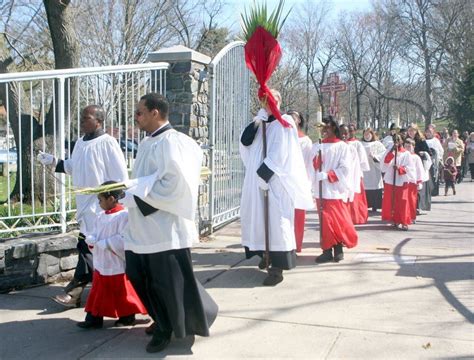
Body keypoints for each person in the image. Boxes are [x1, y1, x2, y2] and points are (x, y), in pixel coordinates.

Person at [121, 93, 218, 353]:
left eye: (140, 112)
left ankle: (166, 327)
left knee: (166, 283)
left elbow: (176, 187)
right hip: (143, 228)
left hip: (165, 229)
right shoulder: (146, 143)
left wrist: (135, 197)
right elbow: (145, 180)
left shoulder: (176, 143)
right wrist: (126, 191)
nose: (136, 117)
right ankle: (162, 318)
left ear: (155, 113)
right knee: (138, 276)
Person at [37, 105, 128, 308]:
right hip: (84, 206)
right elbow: (73, 167)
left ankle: (76, 294)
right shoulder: (80, 142)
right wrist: (53, 161)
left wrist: (111, 202)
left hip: (102, 207)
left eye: (86, 118)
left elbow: (120, 177)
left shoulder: (108, 143)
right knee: (89, 248)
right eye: (81, 117)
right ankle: (102, 297)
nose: (82, 121)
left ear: (98, 120)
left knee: (87, 248)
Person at [240, 89, 313, 285]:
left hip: (274, 181)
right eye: (264, 100)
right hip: (256, 182)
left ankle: (277, 269)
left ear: (279, 101)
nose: (267, 103)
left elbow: (281, 153)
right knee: (258, 220)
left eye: (271, 99)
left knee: (276, 223)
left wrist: (265, 175)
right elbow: (244, 143)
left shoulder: (285, 122)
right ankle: (266, 254)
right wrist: (257, 122)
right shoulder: (260, 122)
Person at [78, 182, 147, 329]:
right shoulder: (100, 216)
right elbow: (95, 233)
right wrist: (92, 240)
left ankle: (127, 315)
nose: (99, 203)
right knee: (98, 291)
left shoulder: (124, 216)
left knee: (121, 291)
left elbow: (126, 237)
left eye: (101, 200)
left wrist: (107, 243)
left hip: (116, 261)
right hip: (102, 260)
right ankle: (94, 317)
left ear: (111, 199)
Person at [312, 116, 358, 263]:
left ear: (333, 127)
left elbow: (345, 169)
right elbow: (311, 165)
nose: (324, 130)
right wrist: (316, 162)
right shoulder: (317, 145)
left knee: (336, 220)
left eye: (327, 126)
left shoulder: (342, 147)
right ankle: (326, 250)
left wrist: (327, 175)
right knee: (324, 221)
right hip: (321, 190)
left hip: (334, 189)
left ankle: (338, 248)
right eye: (322, 127)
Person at [287, 110, 313, 253]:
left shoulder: (305, 141)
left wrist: (307, 183)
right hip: (283, 181)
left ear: (299, 121)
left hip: (298, 182)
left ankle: (296, 244)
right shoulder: (281, 136)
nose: (292, 119)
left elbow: (308, 165)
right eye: (289, 116)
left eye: (295, 117)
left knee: (297, 215)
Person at [381, 134, 415, 231]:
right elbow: (384, 164)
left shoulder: (406, 154)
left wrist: (400, 168)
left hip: (401, 180)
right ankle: (395, 220)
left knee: (402, 201)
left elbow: (410, 169)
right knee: (393, 201)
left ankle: (404, 221)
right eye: (394, 140)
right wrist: (392, 151)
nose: (396, 141)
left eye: (398, 140)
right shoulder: (389, 151)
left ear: (402, 141)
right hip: (391, 180)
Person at [340, 124, 369, 224]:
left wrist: (358, 169)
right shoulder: (340, 144)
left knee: (355, 196)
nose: (350, 133)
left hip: (355, 172)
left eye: (351, 131)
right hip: (343, 174)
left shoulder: (356, 144)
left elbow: (362, 159)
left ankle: (356, 216)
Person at [407, 124, 432, 212]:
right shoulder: (406, 140)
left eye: (412, 130)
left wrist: (423, 153)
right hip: (408, 166)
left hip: (419, 164)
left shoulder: (421, 140)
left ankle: (419, 206)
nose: (411, 132)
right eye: (409, 130)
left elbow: (429, 152)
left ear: (416, 131)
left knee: (419, 187)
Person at [361, 128, 386, 212]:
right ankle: (365, 205)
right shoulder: (360, 144)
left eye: (369, 134)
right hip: (364, 170)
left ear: (372, 135)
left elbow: (383, 155)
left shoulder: (377, 144)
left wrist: (375, 157)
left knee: (375, 186)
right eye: (365, 134)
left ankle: (375, 205)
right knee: (365, 187)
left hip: (374, 169)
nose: (367, 136)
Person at [404, 138, 427, 224]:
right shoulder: (402, 156)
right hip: (404, 181)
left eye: (409, 146)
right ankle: (405, 216)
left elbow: (419, 170)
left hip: (413, 182)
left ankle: (412, 216)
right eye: (406, 146)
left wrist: (419, 181)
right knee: (404, 200)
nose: (407, 148)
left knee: (412, 200)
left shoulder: (416, 157)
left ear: (413, 147)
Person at [424, 125, 444, 196]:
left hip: (434, 161)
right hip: (426, 161)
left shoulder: (436, 140)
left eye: (430, 132)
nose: (428, 133)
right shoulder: (423, 140)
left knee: (434, 176)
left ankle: (434, 191)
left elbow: (441, 150)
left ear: (433, 132)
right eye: (427, 132)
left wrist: (438, 157)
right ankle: (427, 191)